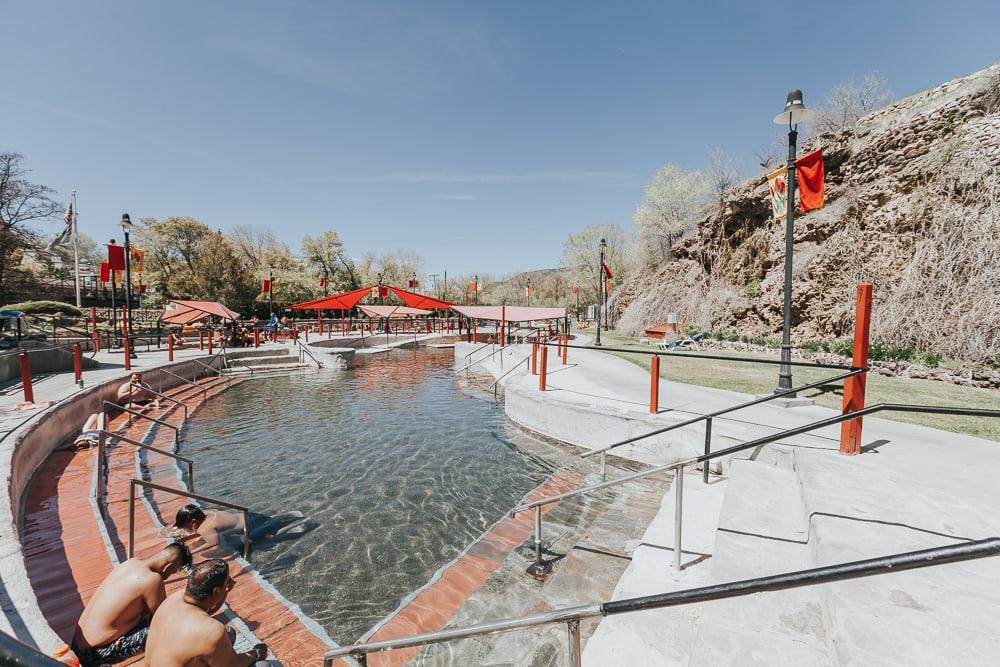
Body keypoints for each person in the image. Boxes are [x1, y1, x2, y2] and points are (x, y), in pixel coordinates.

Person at [71, 542, 192, 667]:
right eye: (174, 571)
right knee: (169, 629)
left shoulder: (131, 563)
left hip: (76, 644)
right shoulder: (153, 580)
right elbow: (163, 617)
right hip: (95, 654)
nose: (170, 575)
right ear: (168, 567)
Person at [143, 559, 269, 666]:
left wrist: (223, 592)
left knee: (228, 634)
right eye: (226, 583)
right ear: (215, 591)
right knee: (264, 665)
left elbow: (202, 613)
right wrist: (256, 653)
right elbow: (233, 664)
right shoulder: (212, 631)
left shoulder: (173, 600)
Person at [167, 504, 313, 553]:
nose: (187, 531)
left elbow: (213, 543)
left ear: (193, 522)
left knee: (271, 535)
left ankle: (301, 525)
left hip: (250, 529)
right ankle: (292, 516)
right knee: (271, 522)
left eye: (185, 528)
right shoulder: (208, 512)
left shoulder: (204, 528)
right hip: (249, 516)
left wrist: (192, 551)